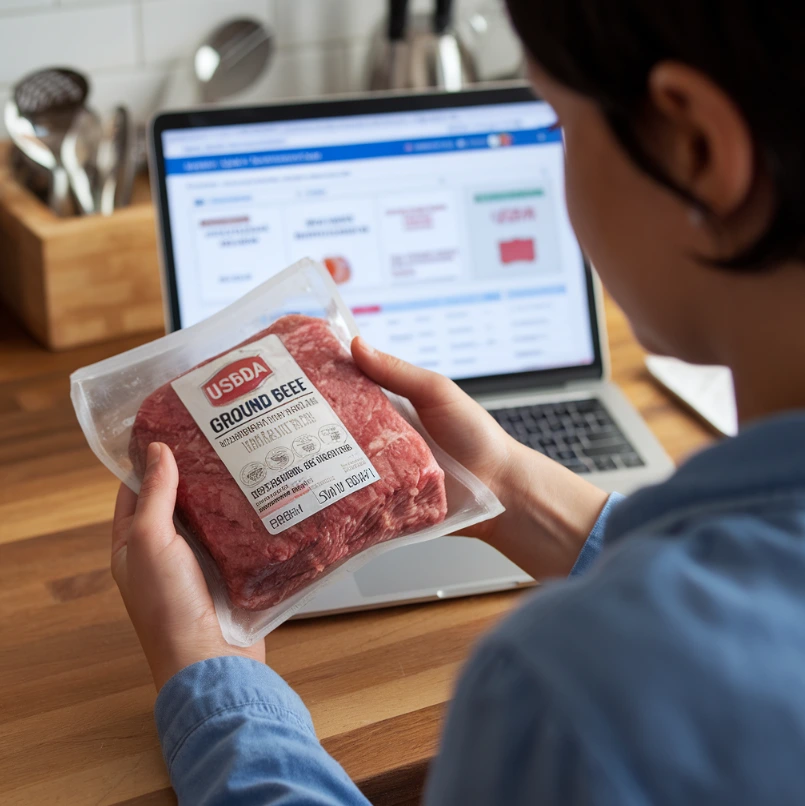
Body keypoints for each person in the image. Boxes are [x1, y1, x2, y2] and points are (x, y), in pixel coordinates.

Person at [111, 1, 805, 803]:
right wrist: (502, 484)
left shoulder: (570, 694)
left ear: (694, 145)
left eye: (559, 126)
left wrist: (208, 671)